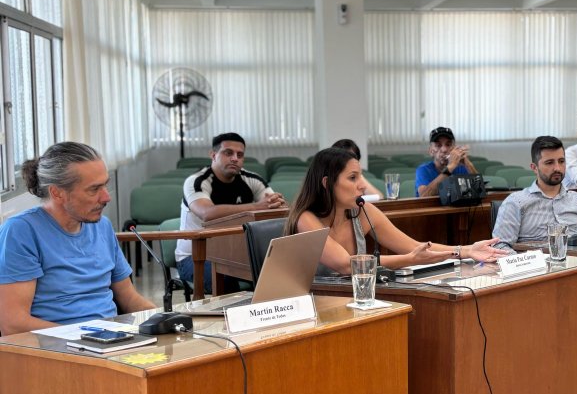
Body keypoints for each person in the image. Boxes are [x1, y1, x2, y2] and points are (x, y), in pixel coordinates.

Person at [0, 142, 156, 335]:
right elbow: (12, 323)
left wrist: (161, 319)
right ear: (57, 193)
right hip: (56, 351)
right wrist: (88, 337)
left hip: (110, 341)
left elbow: (129, 298)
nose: (106, 197)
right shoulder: (21, 231)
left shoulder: (102, 226)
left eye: (105, 185)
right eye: (94, 189)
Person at [284, 148, 506, 275]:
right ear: (326, 183)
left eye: (360, 176)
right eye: (352, 178)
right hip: (313, 305)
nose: (362, 185)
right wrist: (410, 259)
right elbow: (346, 264)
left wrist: (466, 250)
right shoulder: (305, 219)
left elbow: (412, 245)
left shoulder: (361, 210)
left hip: (352, 299)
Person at [175, 132, 286, 294]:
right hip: (195, 257)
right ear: (213, 155)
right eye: (228, 153)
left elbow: (277, 208)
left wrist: (277, 202)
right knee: (227, 282)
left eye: (240, 155)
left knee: (278, 272)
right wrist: (256, 207)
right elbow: (207, 213)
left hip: (237, 255)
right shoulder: (196, 181)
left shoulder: (252, 180)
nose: (235, 158)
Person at [492, 136, 577, 250]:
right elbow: (500, 245)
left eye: (561, 161)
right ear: (534, 168)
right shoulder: (515, 202)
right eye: (549, 163)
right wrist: (524, 264)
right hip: (535, 265)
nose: (557, 168)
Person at [415, 127, 479, 197]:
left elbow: (479, 189)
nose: (444, 149)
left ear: (454, 148)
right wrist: (450, 167)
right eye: (438, 145)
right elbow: (424, 195)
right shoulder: (423, 170)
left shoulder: (461, 168)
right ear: (431, 151)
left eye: (448, 145)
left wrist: (468, 164)